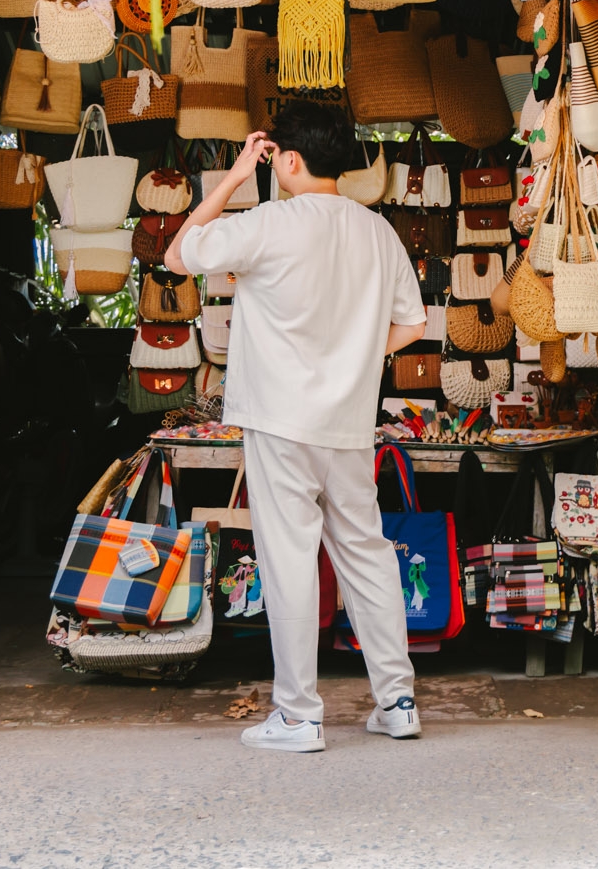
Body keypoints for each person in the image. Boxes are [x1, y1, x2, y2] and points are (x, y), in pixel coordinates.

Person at [165, 102, 430, 753]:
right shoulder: (377, 231)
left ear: (285, 158)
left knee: (289, 562)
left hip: (280, 421)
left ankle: (298, 713)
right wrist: (358, 357)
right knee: (367, 557)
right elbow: (414, 324)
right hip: (347, 422)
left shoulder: (268, 223)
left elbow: (178, 255)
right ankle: (397, 700)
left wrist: (230, 177)